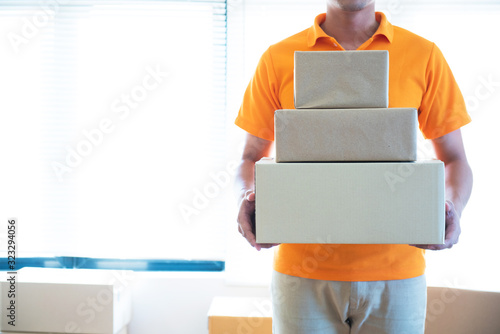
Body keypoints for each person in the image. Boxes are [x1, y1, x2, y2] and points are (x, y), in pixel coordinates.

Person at [234, 0, 473, 333]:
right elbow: (249, 157)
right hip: (302, 275)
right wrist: (245, 197)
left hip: (397, 274)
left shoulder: (424, 54)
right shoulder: (277, 58)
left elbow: (455, 159)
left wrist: (454, 209)